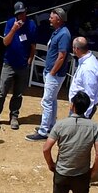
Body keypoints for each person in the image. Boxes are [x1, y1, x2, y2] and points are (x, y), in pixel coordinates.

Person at [30, 7, 73, 141]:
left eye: (51, 17)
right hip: (51, 72)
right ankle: (51, 126)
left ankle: (43, 131)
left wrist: (52, 72)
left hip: (54, 73)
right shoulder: (58, 32)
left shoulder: (64, 34)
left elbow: (62, 55)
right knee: (52, 100)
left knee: (47, 101)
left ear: (58, 19)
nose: (49, 19)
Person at [0, 1, 35, 131]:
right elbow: (5, 42)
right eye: (18, 14)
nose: (20, 16)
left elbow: (33, 45)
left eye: (22, 13)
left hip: (22, 65)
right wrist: (14, 29)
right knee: (2, 91)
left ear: (25, 11)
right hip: (9, 63)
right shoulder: (10, 23)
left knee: (18, 93)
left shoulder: (31, 25)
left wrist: (30, 60)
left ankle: (14, 116)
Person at [68, 35, 98, 120]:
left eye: (73, 47)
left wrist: (85, 116)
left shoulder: (88, 68)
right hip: (77, 107)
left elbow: (90, 94)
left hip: (82, 111)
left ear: (76, 49)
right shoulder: (86, 60)